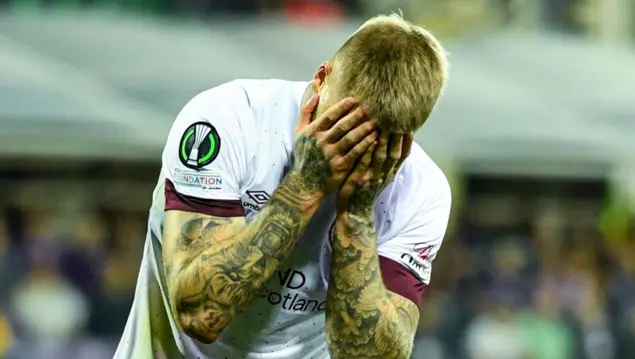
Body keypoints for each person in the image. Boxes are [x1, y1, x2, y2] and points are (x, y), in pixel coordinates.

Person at [113, 13, 451, 359]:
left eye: (376, 143)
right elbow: (199, 314)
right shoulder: (227, 119)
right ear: (321, 78)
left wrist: (357, 218)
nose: (351, 153)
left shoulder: (423, 191)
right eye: (341, 126)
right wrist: (304, 186)